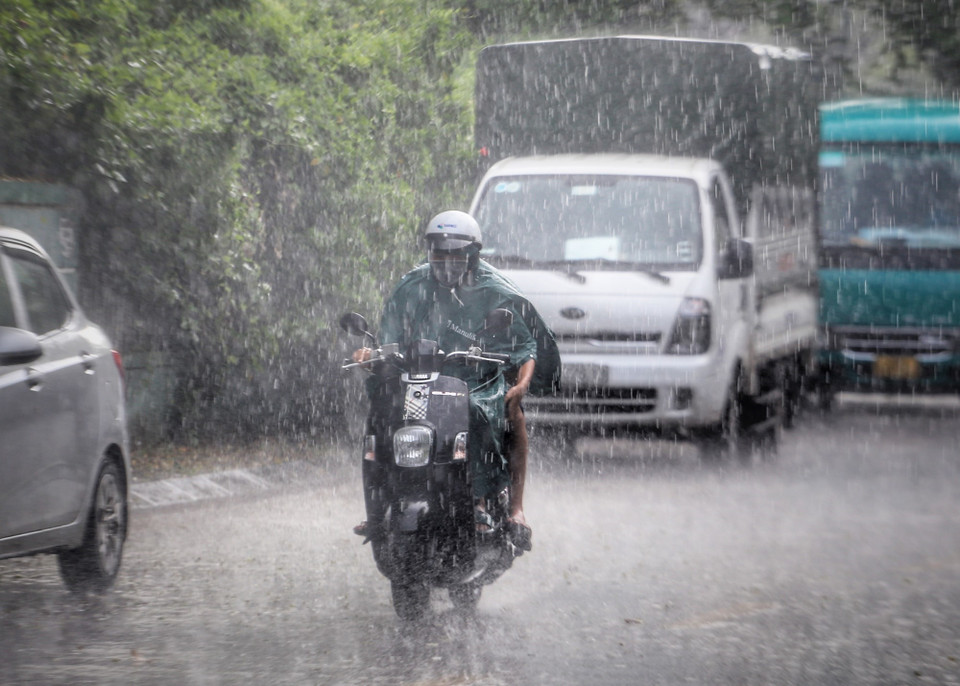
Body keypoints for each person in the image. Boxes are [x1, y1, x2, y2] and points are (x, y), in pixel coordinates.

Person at [352, 210, 559, 551]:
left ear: (472, 255)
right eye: (439, 252)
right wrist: (368, 355)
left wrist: (520, 386)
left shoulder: (494, 290)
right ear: (429, 250)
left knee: (481, 411)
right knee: (382, 416)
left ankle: (498, 502)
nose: (446, 261)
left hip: (476, 381)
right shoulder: (412, 286)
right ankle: (379, 505)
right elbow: (386, 341)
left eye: (455, 253)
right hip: (419, 378)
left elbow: (525, 348)